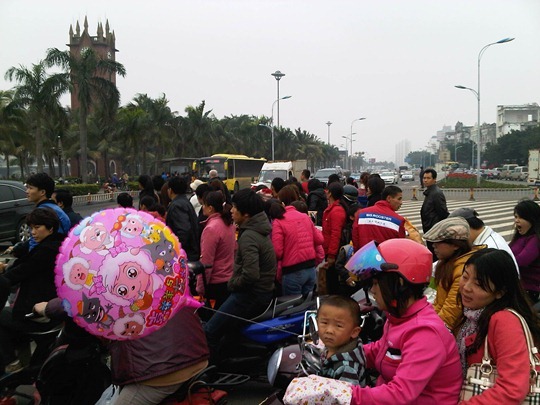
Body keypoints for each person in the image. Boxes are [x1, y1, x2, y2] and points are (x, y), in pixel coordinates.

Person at [348, 239, 462, 403]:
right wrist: (340, 351)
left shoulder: (424, 333)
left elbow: (399, 394)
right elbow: (379, 351)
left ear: (399, 283)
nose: (372, 290)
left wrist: (343, 393)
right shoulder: (398, 317)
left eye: (375, 283)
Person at [457, 248, 540, 404]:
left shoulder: (504, 321)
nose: (466, 287)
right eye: (465, 276)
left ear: (500, 292)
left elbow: (513, 388)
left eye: (479, 284)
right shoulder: (473, 314)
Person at [204, 189, 276, 364]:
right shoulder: (257, 230)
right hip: (261, 292)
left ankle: (209, 377)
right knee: (229, 331)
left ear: (246, 213)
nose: (231, 210)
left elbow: (251, 274)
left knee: (210, 331)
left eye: (235, 207)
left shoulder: (249, 236)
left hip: (250, 295)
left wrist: (232, 284)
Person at [0, 208, 64, 374]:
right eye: (31, 228)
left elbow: (22, 271)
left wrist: (6, 274)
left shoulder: (46, 250)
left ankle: (12, 363)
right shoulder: (58, 245)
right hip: (48, 306)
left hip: (38, 311)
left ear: (50, 228)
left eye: (37, 227)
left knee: (2, 317)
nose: (33, 232)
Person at [423, 217, 483, 330]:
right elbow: (438, 303)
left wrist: (427, 331)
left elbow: (450, 314)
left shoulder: (463, 270)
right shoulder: (448, 264)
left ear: (456, 245)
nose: (433, 246)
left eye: (438, 242)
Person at [270, 185, 324, 295]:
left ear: (282, 203)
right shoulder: (305, 217)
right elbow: (319, 239)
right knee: (307, 306)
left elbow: (278, 252)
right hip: (310, 269)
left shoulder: (279, 221)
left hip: (292, 271)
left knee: (293, 307)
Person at [197, 191, 236, 314]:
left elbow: (206, 262)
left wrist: (200, 288)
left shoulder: (211, 229)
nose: (202, 207)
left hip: (215, 283)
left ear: (210, 208)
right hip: (229, 279)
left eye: (204, 204)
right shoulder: (229, 224)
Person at [449, 207, 519, 274]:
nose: (455, 239)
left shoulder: (491, 249)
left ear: (465, 228)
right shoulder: (480, 240)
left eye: (455, 233)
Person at [317, 295, 366, 385]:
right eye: (324, 322)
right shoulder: (330, 348)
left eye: (338, 325)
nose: (329, 330)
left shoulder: (347, 368)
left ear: (354, 332)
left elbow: (345, 398)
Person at [24, 172, 71, 252]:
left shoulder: (42, 213)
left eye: (31, 188)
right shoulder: (56, 208)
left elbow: (36, 242)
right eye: (27, 188)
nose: (27, 191)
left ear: (42, 192)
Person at [352, 185, 406, 251]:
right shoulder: (398, 220)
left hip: (364, 257)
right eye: (399, 199)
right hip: (386, 259)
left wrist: (357, 254)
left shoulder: (361, 214)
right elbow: (400, 246)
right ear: (389, 198)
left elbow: (355, 238)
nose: (401, 203)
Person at [509, 199, 540, 302]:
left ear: (532, 219)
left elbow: (521, 260)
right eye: (516, 217)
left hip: (529, 292)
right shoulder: (520, 237)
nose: (516, 220)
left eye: (521, 217)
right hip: (517, 288)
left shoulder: (536, 239)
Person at [321, 182, 348, 295]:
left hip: (334, 252)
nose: (325, 192)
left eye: (327, 190)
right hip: (329, 250)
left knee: (333, 282)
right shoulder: (332, 209)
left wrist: (331, 255)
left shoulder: (336, 211)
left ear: (330, 193)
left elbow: (335, 234)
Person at [166, 176, 200, 261]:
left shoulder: (177, 205)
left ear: (171, 190)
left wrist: (175, 250)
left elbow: (184, 230)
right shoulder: (185, 202)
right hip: (191, 252)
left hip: (185, 255)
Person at [421, 168, 449, 259]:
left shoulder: (436, 193)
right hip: (430, 230)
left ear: (434, 179)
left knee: (435, 256)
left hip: (434, 231)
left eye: (428, 178)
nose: (425, 180)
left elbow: (443, 213)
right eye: (424, 178)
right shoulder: (430, 192)